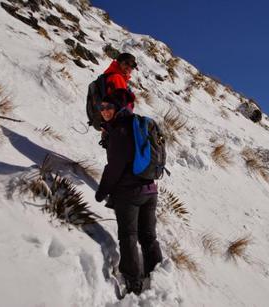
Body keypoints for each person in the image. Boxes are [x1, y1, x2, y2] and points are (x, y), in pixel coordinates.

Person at [95, 95, 163, 295]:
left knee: (128, 237)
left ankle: (134, 284)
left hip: (129, 194)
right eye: (101, 107)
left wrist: (101, 192)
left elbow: (115, 167)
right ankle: (158, 276)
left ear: (117, 108)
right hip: (150, 190)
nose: (104, 110)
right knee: (149, 237)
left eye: (109, 107)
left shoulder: (121, 130)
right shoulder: (134, 126)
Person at [98, 52, 137, 148]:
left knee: (115, 155)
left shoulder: (113, 76)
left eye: (132, 65)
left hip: (110, 123)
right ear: (119, 62)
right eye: (126, 63)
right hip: (118, 125)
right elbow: (121, 105)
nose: (129, 67)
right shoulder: (116, 78)